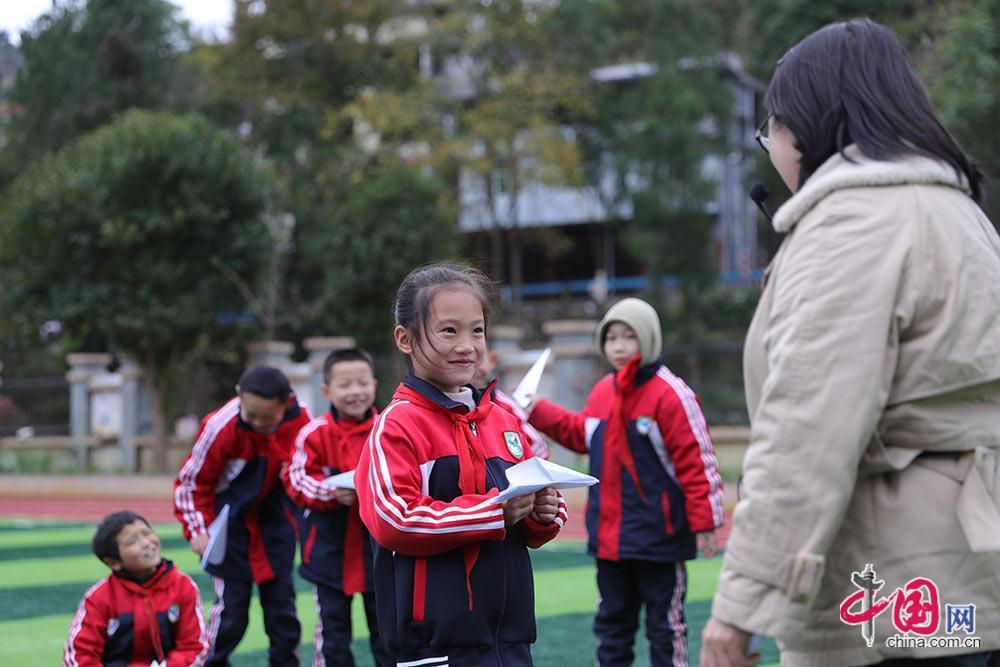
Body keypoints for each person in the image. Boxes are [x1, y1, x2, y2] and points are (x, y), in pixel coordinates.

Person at [700, 18, 1000, 667]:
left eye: (768, 130)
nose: (770, 148)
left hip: (886, 596)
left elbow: (806, 428)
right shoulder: (966, 217)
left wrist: (740, 604)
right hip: (972, 579)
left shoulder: (851, 225)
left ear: (802, 126)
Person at [354, 262, 568, 667]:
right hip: (435, 648)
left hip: (511, 643)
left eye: (477, 330)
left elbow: (530, 514)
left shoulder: (504, 421)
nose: (467, 345)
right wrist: (493, 512)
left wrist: (542, 513)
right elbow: (394, 520)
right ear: (405, 338)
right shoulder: (395, 426)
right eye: (449, 330)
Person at [526, 297, 725, 667]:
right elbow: (582, 433)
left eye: (628, 337)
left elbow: (698, 462)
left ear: (648, 339)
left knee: (665, 626)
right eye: (611, 337)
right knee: (612, 626)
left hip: (659, 539)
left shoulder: (670, 394)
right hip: (611, 539)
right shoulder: (604, 390)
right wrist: (537, 409)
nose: (618, 346)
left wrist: (706, 521)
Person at [173, 366, 312, 666]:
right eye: (252, 415)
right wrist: (197, 529)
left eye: (268, 417)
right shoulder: (219, 426)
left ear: (286, 404)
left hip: (277, 526)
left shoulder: (302, 421)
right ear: (239, 396)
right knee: (231, 613)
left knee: (283, 612)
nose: (259, 423)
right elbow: (191, 483)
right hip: (228, 529)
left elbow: (310, 469)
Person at [283, 348, 391, 666]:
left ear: (374, 384)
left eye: (362, 383)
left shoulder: (388, 428)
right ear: (327, 391)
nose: (355, 391)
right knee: (333, 638)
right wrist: (331, 492)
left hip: (381, 555)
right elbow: (296, 478)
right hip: (328, 556)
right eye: (345, 384)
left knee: (388, 635)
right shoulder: (314, 434)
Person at [64, 511, 208, 667]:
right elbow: (79, 655)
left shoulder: (183, 586)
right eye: (132, 542)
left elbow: (194, 647)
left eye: (147, 533)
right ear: (113, 563)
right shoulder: (98, 598)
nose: (146, 543)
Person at [474, 347, 549, 459]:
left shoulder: (506, 408)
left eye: (478, 360)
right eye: (463, 362)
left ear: (492, 360)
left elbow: (539, 451)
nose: (472, 369)